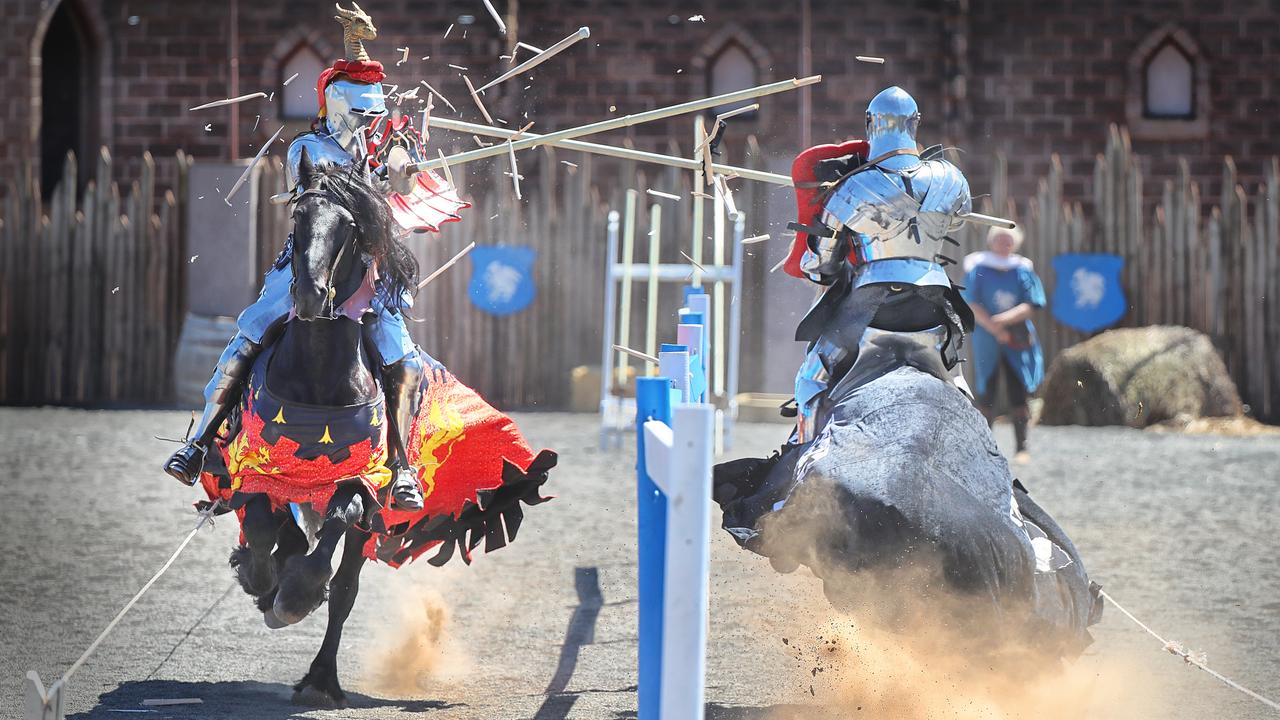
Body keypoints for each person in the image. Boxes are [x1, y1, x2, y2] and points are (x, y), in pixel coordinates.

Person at [163, 3, 468, 510]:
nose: (370, 121)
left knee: (402, 355)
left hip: (368, 272)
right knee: (250, 333)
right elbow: (322, 193)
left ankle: (402, 467)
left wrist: (404, 173)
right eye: (362, 111)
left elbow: (401, 188)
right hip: (307, 264)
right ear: (337, 105)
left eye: (375, 112)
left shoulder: (388, 147)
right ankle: (200, 444)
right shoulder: (310, 149)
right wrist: (378, 172)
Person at [782, 85, 976, 442]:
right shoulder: (951, 179)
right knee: (956, 378)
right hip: (934, 302)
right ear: (915, 124)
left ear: (871, 124)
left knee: (811, 378)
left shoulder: (852, 188)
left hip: (872, 304)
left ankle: (800, 452)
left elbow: (821, 265)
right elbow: (959, 219)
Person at [962, 226, 1046, 462]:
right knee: (986, 391)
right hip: (986, 337)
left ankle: (1022, 447)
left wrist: (1002, 322)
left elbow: (1033, 302)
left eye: (1008, 240)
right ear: (991, 241)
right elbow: (970, 301)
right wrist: (993, 327)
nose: (1004, 244)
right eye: (1000, 239)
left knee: (1018, 390)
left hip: (1016, 336)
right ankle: (984, 449)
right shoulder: (978, 267)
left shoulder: (1022, 269)